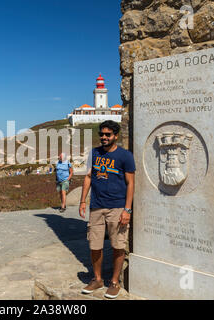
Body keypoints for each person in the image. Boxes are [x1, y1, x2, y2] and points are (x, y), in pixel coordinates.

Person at [79, 120, 135, 299]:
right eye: (102, 134)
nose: (104, 137)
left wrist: (127, 210)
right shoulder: (94, 153)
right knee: (94, 245)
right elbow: (88, 177)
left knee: (118, 245)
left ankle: (114, 281)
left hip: (117, 207)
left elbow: (130, 183)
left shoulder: (125, 156)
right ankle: (97, 279)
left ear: (115, 136)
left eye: (108, 134)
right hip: (96, 206)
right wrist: (82, 201)